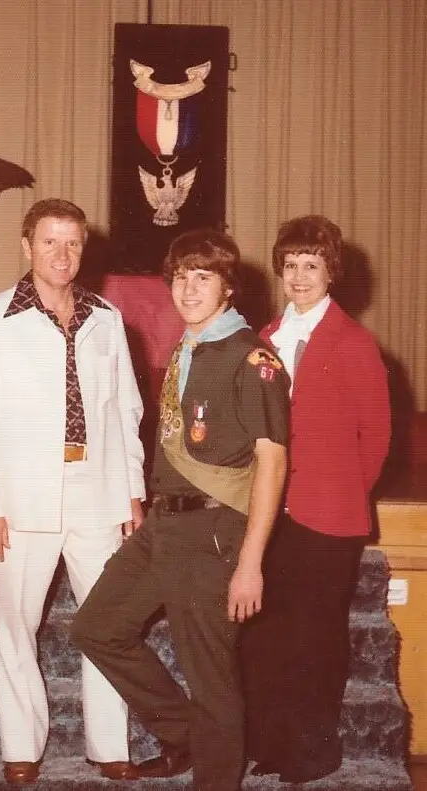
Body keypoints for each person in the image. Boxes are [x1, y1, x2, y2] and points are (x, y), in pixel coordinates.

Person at [71, 227, 290, 791]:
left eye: (204, 277)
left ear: (227, 287)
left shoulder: (252, 359)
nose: (188, 289)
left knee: (210, 677)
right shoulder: (188, 346)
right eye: (180, 277)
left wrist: (250, 562)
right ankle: (189, 735)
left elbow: (271, 463)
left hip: (215, 531)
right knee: (97, 628)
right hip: (165, 523)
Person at [0, 198, 145, 785]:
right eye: (49, 242)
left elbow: (127, 411)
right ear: (26, 246)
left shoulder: (108, 318)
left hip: (97, 489)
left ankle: (109, 746)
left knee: (106, 623)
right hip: (21, 498)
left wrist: (132, 491)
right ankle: (21, 747)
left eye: (72, 243)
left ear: (85, 249)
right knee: (17, 625)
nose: (62, 255)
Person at [241, 215, 391, 783]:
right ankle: (270, 743)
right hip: (267, 511)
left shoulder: (354, 342)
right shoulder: (263, 340)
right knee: (264, 633)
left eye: (312, 265)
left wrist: (340, 492)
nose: (300, 277)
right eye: (291, 265)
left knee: (315, 637)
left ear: (331, 272)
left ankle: (312, 751)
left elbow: (376, 438)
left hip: (328, 517)